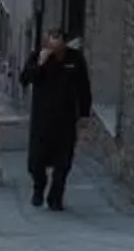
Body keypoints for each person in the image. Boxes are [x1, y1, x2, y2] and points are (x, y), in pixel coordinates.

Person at [19, 29, 93, 211]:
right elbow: (25, 78)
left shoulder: (74, 59)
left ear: (64, 42)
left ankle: (55, 197)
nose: (55, 45)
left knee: (63, 163)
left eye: (59, 40)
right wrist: (39, 64)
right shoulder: (38, 56)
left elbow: (84, 87)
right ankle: (39, 188)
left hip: (66, 120)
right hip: (42, 120)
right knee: (36, 162)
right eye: (52, 40)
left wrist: (84, 113)